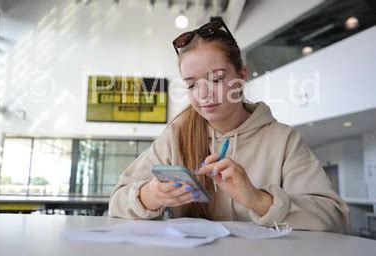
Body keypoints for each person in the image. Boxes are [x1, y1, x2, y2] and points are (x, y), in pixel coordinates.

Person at [108, 19, 349, 233]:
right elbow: (116, 202)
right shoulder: (177, 135)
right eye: (191, 85)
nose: (203, 94)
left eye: (216, 79)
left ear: (242, 74)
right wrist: (151, 195)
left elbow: (335, 217)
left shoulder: (283, 140)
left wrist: (258, 200)